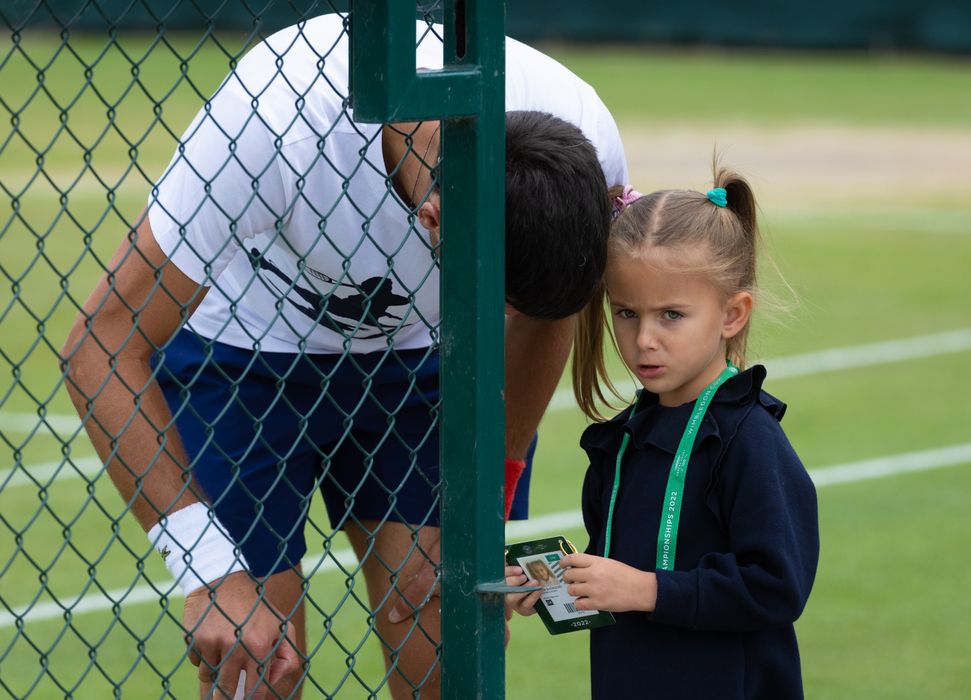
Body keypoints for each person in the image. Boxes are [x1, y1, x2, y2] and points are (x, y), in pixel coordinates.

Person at [60, 12, 627, 700]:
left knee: (444, 654)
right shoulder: (272, 124)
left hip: (428, 361)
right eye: (497, 301)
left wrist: (487, 511)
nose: (507, 315)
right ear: (433, 221)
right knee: (254, 669)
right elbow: (102, 340)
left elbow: (547, 316)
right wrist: (209, 572)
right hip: (242, 354)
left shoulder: (581, 135)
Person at [507, 167, 819, 698]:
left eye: (671, 315)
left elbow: (776, 586)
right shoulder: (622, 438)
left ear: (733, 314)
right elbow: (622, 577)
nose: (643, 339)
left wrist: (644, 589)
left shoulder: (750, 440)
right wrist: (556, 584)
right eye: (626, 313)